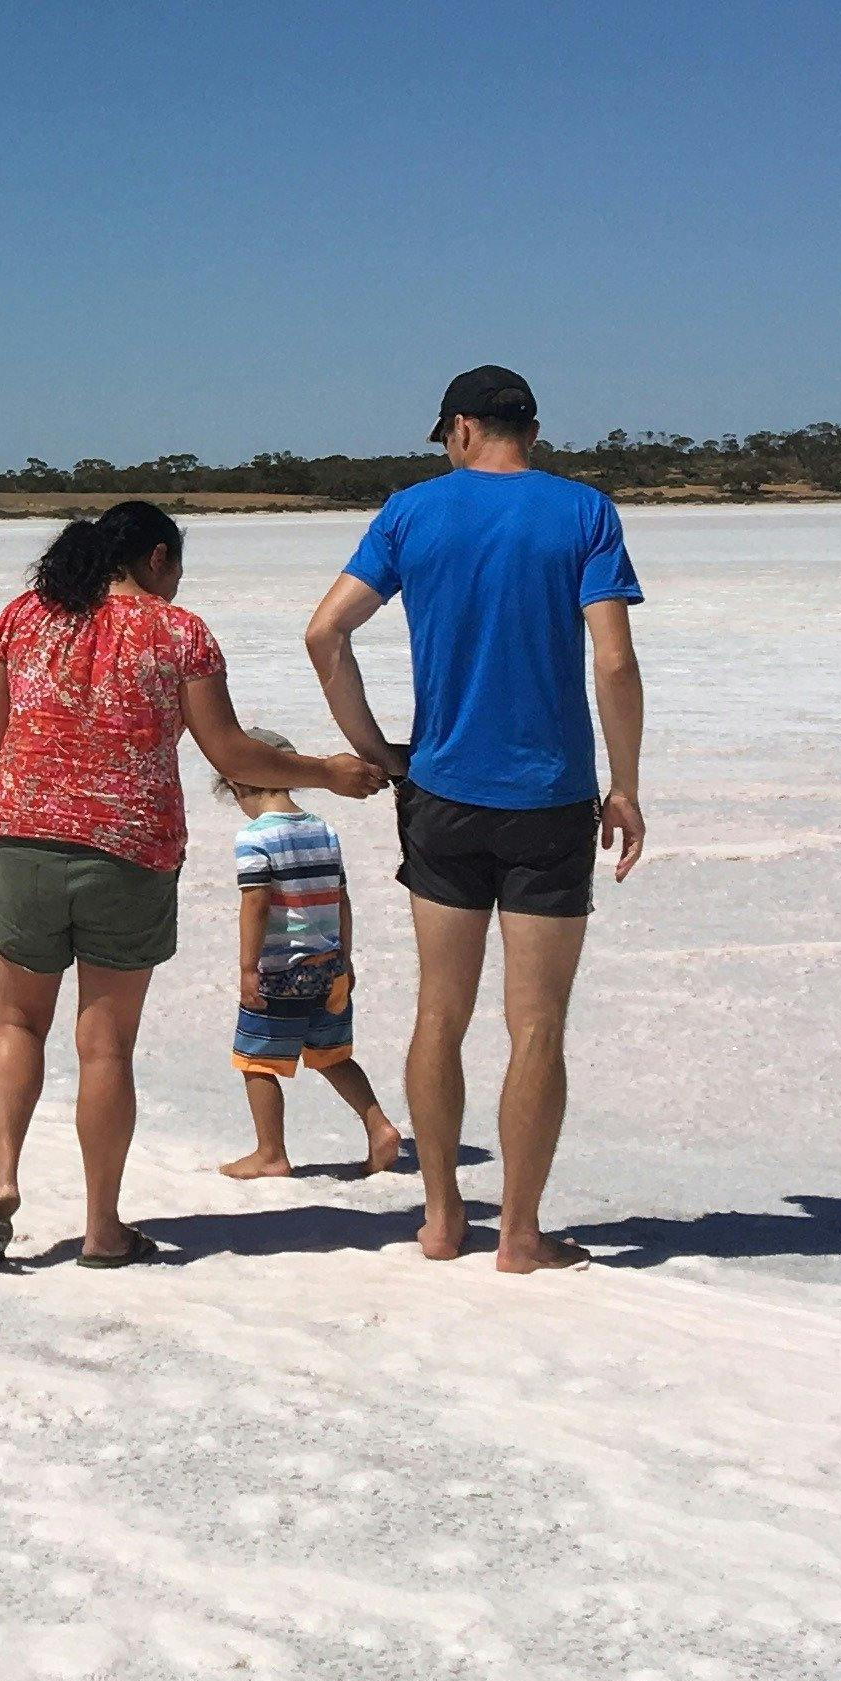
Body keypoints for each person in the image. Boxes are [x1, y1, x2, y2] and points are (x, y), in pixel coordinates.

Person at [0, 499, 378, 1271]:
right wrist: (327, 773)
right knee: (105, 1046)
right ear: (157, 557)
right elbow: (231, 752)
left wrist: (18, 819)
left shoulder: (19, 618)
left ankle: (1, 1178)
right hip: (129, 854)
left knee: (18, 1024)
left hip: (23, 846)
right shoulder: (177, 632)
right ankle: (101, 1228)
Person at [303, 365, 645, 1271]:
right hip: (549, 801)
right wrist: (627, 783)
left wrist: (376, 749)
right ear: (526, 428)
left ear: (460, 429)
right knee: (536, 1025)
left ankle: (444, 1219)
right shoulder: (584, 513)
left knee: (438, 1013)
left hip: (443, 796)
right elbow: (612, 661)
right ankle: (522, 1237)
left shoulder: (413, 512)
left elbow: (324, 632)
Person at [215, 774, 404, 1181]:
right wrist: (345, 958)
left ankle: (270, 1154)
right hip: (328, 965)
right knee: (332, 1055)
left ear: (238, 785)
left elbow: (257, 903)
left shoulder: (254, 837)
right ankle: (379, 1126)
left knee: (257, 1061)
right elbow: (342, 898)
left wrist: (249, 968)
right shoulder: (324, 829)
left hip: (281, 971)